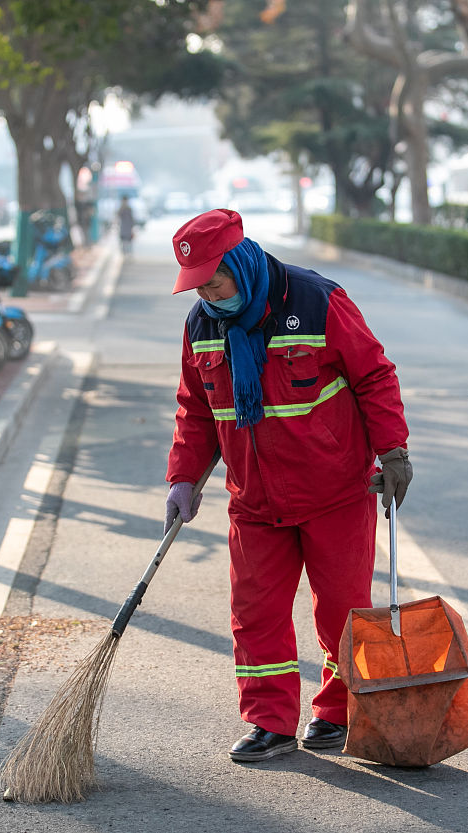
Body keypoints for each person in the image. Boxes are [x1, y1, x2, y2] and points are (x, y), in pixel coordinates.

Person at [163, 208, 413, 763]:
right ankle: (268, 721)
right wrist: (183, 478)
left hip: (335, 492)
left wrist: (393, 451)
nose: (207, 293)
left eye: (214, 279)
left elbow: (374, 373)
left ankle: (335, 709)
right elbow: (196, 411)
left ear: (241, 264)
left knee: (342, 610)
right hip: (254, 500)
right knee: (256, 615)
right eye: (197, 285)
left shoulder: (315, 301)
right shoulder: (202, 326)